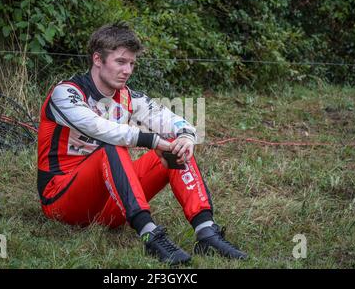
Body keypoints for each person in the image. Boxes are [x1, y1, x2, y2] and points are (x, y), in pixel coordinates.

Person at [37, 22, 247, 266]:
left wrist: (186, 136)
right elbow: (98, 127)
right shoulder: (66, 93)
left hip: (112, 202)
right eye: (121, 61)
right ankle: (149, 233)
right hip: (62, 199)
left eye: (132, 64)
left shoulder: (128, 96)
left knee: (174, 143)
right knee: (112, 145)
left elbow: (173, 121)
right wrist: (151, 140)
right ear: (97, 59)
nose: (127, 70)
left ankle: (207, 233)